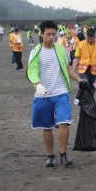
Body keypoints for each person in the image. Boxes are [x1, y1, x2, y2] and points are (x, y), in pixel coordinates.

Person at [27, 20, 83, 168]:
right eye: (48, 34)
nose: (51, 37)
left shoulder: (60, 50)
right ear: (41, 34)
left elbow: (67, 69)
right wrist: (38, 84)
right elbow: (32, 71)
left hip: (61, 92)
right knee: (47, 127)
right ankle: (50, 155)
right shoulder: (36, 52)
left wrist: (78, 79)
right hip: (43, 94)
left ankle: (63, 154)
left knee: (64, 122)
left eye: (54, 34)